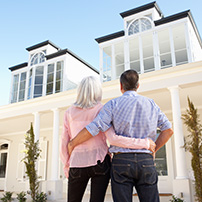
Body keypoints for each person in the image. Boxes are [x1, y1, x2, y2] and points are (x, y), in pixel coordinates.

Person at [68, 70, 173, 202]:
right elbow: (168, 130)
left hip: (121, 162)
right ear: (138, 85)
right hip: (146, 160)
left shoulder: (112, 104)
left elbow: (94, 127)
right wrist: (153, 148)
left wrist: (72, 143)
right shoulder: (151, 104)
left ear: (121, 86)